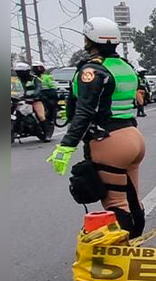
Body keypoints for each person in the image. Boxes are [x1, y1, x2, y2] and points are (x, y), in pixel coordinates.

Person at [46, 17, 147, 238]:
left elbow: (84, 112)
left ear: (89, 40)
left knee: (116, 203)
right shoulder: (126, 67)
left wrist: (66, 146)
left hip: (109, 140)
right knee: (132, 199)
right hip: (132, 135)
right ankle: (136, 243)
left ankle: (121, 256)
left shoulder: (92, 70)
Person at [13, 62, 48, 133]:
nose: (19, 73)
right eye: (17, 72)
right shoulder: (16, 79)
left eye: (21, 72)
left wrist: (34, 94)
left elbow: (38, 88)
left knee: (41, 116)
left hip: (34, 100)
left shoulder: (34, 79)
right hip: (20, 99)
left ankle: (46, 133)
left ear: (26, 71)